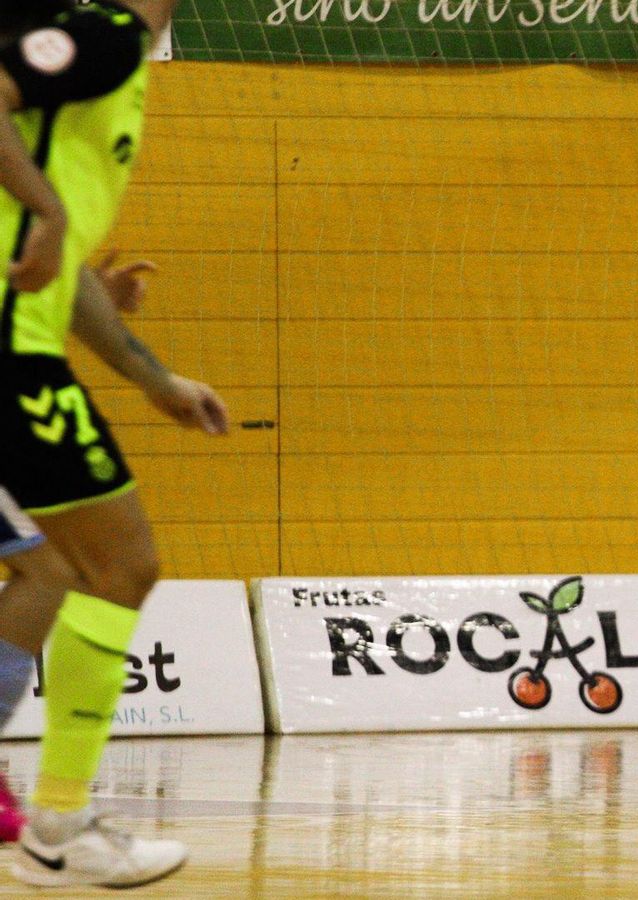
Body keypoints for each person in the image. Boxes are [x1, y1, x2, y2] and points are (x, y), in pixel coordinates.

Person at [1, 0, 230, 887]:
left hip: (23, 348)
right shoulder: (100, 32)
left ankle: (60, 821)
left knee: (91, 568)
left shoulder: (115, 65)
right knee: (111, 567)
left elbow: (63, 281)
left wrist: (154, 378)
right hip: (7, 359)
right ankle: (60, 824)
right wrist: (47, 209)